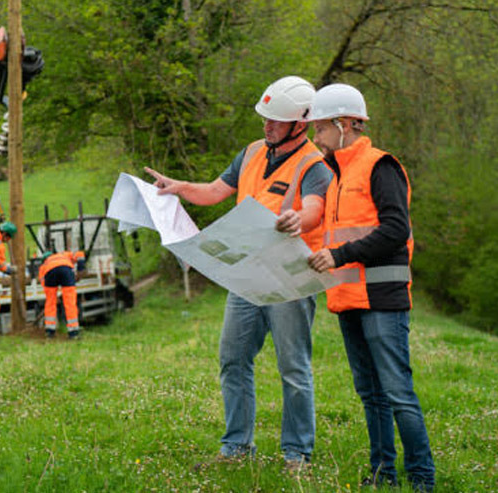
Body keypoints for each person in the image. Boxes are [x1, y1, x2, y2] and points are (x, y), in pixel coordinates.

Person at [145, 76, 332, 470]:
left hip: (288, 281)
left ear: (300, 124)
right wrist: (178, 187)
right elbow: (215, 191)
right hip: (246, 276)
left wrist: (298, 218)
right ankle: (235, 448)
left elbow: (315, 207)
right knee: (233, 358)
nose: (266, 125)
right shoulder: (251, 152)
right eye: (265, 118)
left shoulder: (315, 164)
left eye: (275, 121)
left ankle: (297, 454)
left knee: (293, 367)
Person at [306, 83, 435, 491]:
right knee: (372, 396)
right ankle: (383, 475)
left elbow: (396, 229)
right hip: (348, 299)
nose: (316, 137)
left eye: (321, 128)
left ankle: (422, 479)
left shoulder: (381, 167)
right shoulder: (334, 176)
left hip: (382, 299)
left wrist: (340, 255)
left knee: (397, 393)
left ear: (346, 124)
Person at [38, 249, 86, 339]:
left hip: (50, 272)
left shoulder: (44, 265)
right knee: (70, 302)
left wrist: (53, 296)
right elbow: (80, 254)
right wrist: (80, 270)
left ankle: (50, 331)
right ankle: (73, 332)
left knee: (50, 302)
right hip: (66, 269)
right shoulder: (64, 254)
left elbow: (43, 281)